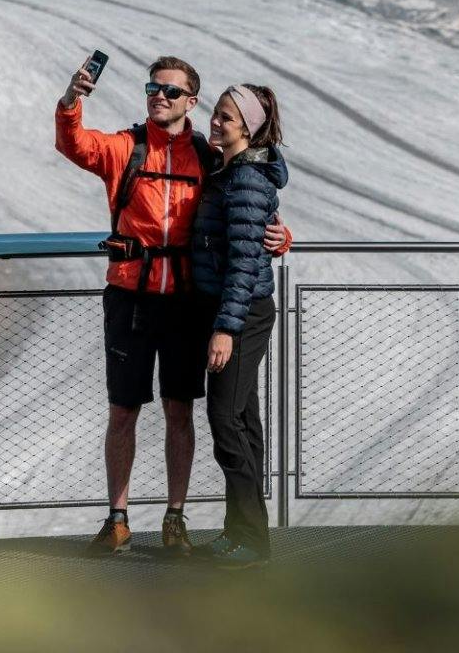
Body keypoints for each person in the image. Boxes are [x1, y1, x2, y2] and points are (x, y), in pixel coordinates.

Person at [56, 55, 287, 556]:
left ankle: (175, 519)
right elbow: (75, 144)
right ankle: (117, 518)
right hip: (130, 297)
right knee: (124, 410)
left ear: (191, 100)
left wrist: (280, 235)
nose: (160, 96)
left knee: (180, 410)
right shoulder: (126, 148)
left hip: (186, 303)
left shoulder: (208, 156)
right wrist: (73, 100)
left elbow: (249, 206)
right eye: (153, 88)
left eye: (172, 91)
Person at [192, 84, 287, 569]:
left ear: (247, 128)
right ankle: (243, 535)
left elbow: (246, 261)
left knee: (226, 421)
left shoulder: (246, 180)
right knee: (242, 420)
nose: (216, 122)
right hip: (237, 310)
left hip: (242, 314)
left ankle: (251, 539)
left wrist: (225, 329)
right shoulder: (227, 170)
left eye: (226, 118)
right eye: (216, 113)